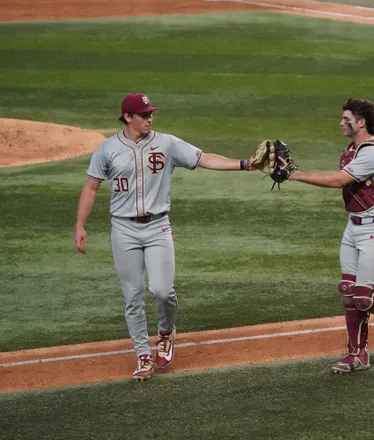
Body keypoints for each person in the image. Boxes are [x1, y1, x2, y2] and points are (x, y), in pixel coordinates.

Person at [74, 93, 257, 381]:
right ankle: (143, 356)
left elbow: (204, 159)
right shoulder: (107, 149)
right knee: (132, 296)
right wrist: (80, 226)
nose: (150, 118)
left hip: (158, 227)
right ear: (127, 117)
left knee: (162, 290)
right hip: (123, 229)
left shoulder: (167, 143)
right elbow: (91, 187)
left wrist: (245, 164)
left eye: (150, 114)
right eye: (144, 114)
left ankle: (165, 332)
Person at [285, 98, 374, 373]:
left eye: (347, 119)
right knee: (349, 292)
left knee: (364, 296)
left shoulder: (373, 153)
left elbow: (339, 181)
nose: (341, 123)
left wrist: (294, 174)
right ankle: (357, 354)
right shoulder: (351, 150)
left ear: (362, 122)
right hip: (353, 227)